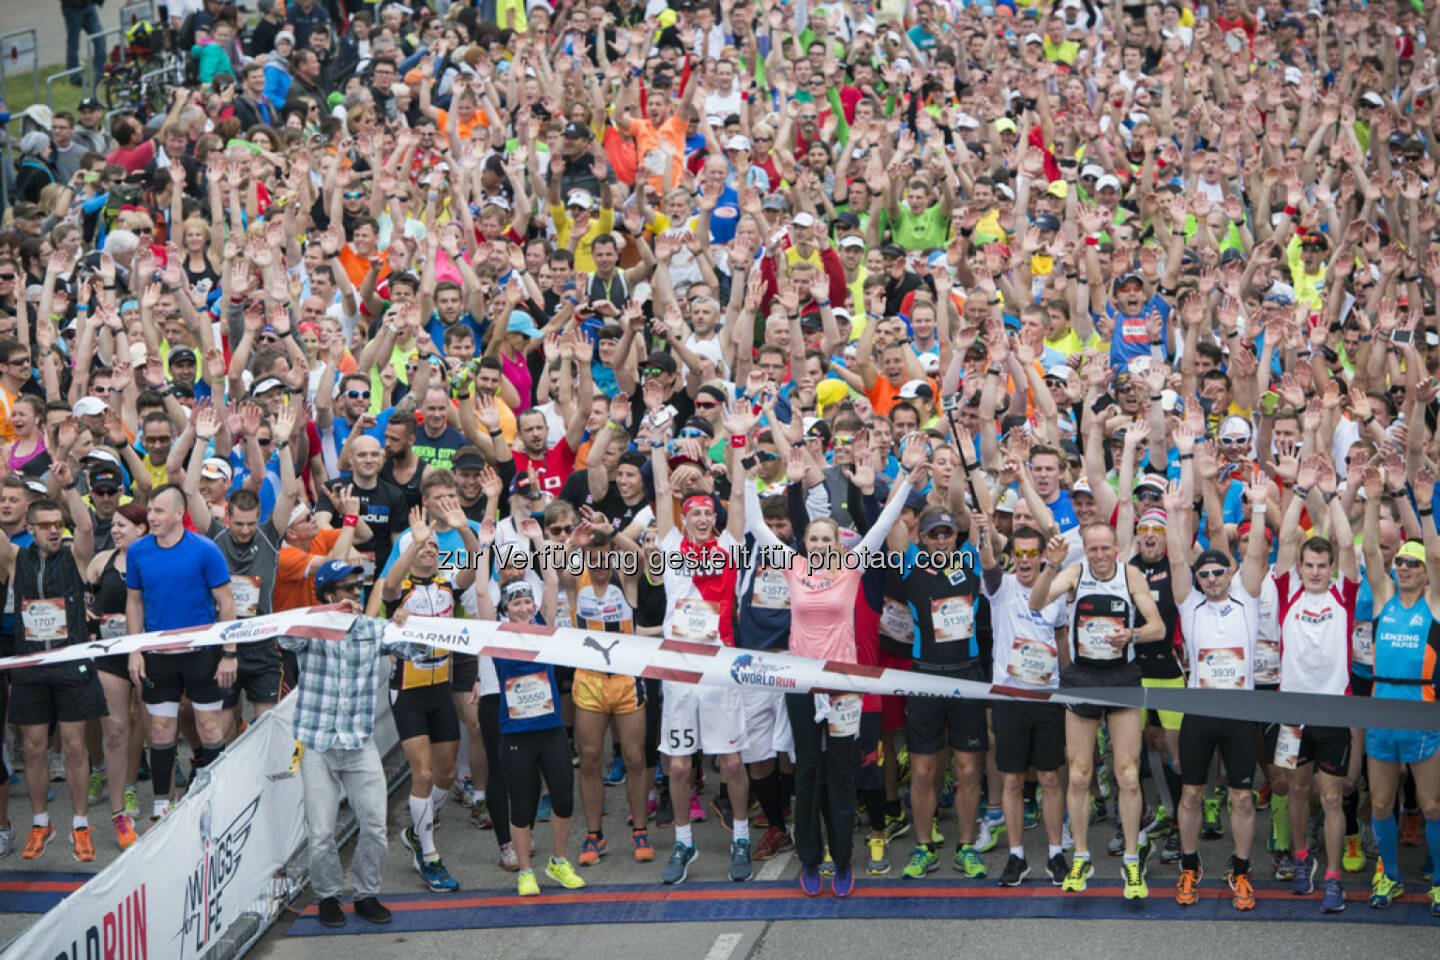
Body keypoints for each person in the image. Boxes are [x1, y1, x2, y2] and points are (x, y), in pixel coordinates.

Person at [739, 416, 918, 897]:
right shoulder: (793, 565)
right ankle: (811, 859)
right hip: (800, 685)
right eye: (813, 538)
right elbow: (754, 523)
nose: (819, 544)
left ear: (839, 543)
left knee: (841, 774)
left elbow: (881, 525)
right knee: (808, 775)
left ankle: (843, 861)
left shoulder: (853, 568)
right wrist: (745, 461)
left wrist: (904, 476)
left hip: (843, 687)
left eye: (827, 538)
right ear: (805, 542)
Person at [1031, 523, 1167, 899]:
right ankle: (1081, 855)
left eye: (1106, 548)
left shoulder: (1131, 575)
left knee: (1127, 773)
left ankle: (1131, 859)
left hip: (1122, 676)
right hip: (1084, 678)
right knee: (1078, 775)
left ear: (1117, 548)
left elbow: (1158, 627)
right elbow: (1036, 603)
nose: (1101, 556)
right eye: (1093, 550)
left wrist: (1133, 634)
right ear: (1085, 550)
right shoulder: (1074, 573)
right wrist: (1050, 567)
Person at [279, 560, 416, 929]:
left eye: (358, 586)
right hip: (317, 746)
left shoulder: (372, 629)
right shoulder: (309, 629)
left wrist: (409, 626)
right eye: (347, 588)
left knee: (374, 826)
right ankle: (326, 897)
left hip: (359, 744)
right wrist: (325, 615)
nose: (357, 593)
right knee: (321, 833)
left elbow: (414, 653)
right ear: (327, 595)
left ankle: (366, 894)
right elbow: (283, 637)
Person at [1166, 479, 1270, 911]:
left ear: (1230, 574)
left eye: (1218, 572)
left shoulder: (1247, 597)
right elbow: (1175, 560)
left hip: (1241, 713)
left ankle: (1241, 873)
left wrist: (1259, 508)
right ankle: (1189, 867)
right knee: (1191, 794)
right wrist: (1174, 515)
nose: (1210, 578)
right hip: (1200, 713)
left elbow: (1257, 554)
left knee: (1241, 797)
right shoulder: (1189, 605)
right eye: (1204, 573)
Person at [474, 516, 587, 896]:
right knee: (520, 806)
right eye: (516, 601)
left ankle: (558, 862)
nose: (523, 605)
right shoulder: (497, 634)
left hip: (551, 730)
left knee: (564, 799)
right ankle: (526, 871)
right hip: (516, 734)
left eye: (527, 600)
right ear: (507, 609)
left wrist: (538, 540)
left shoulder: (545, 626)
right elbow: (479, 595)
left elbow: (552, 582)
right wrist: (484, 548)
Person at [1270, 455, 1361, 913]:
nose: (1316, 571)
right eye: (1310, 564)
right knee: (1297, 790)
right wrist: (1297, 491)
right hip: (1293, 711)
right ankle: (1301, 860)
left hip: (1335, 711)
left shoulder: (1345, 593)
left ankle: (1332, 877)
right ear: (1301, 567)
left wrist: (1331, 497)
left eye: (1322, 565)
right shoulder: (1288, 592)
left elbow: (1346, 546)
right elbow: (1287, 537)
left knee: (1331, 797)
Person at [0, 469, 101, 860]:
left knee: (74, 745)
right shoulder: (14, 557)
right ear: (30, 528)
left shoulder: (75, 554)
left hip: (70, 663)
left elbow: (88, 526)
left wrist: (72, 485)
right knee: (35, 746)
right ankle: (41, 823)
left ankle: (80, 825)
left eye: (58, 524)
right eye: (45, 527)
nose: (54, 532)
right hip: (29, 665)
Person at [380, 503, 479, 893]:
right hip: (408, 691)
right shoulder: (398, 590)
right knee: (421, 775)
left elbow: (474, 563)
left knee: (447, 775)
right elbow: (388, 586)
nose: (430, 549)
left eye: (435, 546)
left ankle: (418, 831)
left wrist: (462, 529)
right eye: (423, 545)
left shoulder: (446, 586)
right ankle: (430, 854)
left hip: (440, 689)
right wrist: (412, 543)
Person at [125, 485, 236, 822]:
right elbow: (134, 601)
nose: (151, 517)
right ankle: (162, 803)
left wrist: (229, 652)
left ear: (178, 514)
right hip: (158, 656)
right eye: (149, 510)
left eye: (159, 511)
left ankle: (217, 797)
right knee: (159, 729)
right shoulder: (138, 551)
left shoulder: (205, 550)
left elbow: (227, 601)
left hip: (201, 653)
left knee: (209, 727)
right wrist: (135, 650)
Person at [1359, 465, 1440, 915]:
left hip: (1423, 710)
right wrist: (1372, 500)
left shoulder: (1433, 601)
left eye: (1414, 562)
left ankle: (1439, 883)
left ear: (1426, 573)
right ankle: (1389, 876)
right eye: (1401, 562)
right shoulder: (1385, 593)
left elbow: (1437, 556)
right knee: (1383, 801)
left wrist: (1425, 509)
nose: (1405, 567)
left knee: (1431, 805)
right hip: (1381, 710)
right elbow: (1370, 549)